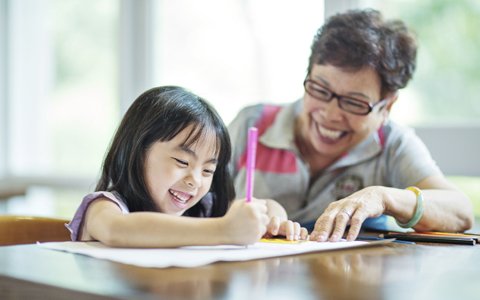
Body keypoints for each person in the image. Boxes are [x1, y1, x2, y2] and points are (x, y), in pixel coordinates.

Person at [228, 9, 474, 242]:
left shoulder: (392, 145)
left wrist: (383, 197)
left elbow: (460, 211)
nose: (331, 114)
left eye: (354, 102)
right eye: (321, 89)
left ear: (386, 107)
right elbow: (196, 203)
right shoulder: (253, 124)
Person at [67, 86, 307, 247]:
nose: (195, 180)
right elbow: (116, 230)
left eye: (207, 170)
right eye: (182, 162)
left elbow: (267, 205)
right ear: (137, 152)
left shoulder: (203, 207)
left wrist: (273, 220)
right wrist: (224, 230)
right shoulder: (105, 206)